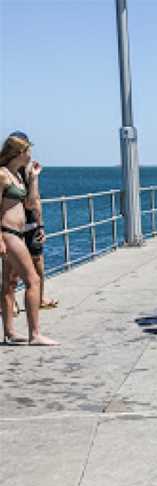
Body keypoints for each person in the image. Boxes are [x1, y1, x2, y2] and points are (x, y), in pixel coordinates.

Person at [0, 134, 58, 345]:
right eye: (28, 151)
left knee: (9, 283)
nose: (31, 155)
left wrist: (33, 178)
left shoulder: (18, 175)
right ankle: (35, 334)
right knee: (32, 280)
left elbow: (30, 203)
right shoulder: (2, 175)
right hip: (8, 233)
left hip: (19, 232)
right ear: (19, 152)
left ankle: (9, 332)